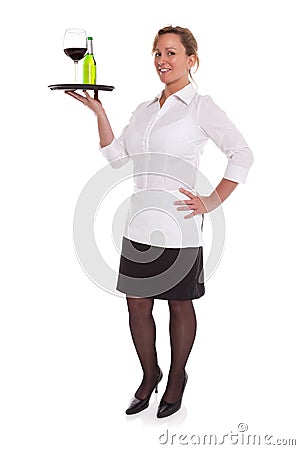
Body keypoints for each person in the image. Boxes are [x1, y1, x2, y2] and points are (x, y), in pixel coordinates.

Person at [65, 25, 254, 419]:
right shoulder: (145, 110)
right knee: (137, 306)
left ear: (190, 59)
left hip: (180, 228)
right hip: (138, 224)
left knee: (179, 306)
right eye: (157, 54)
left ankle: (177, 378)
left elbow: (241, 154)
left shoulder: (201, 107)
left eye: (171, 53)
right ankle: (150, 375)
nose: (162, 61)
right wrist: (100, 113)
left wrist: (212, 200)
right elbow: (118, 158)